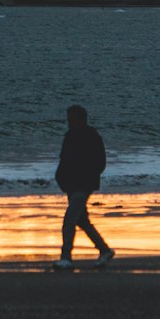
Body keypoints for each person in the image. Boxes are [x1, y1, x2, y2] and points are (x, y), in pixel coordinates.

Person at [53, 104, 114, 269]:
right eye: (68, 119)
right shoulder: (70, 135)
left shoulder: (91, 136)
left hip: (83, 185)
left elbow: (100, 162)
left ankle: (66, 257)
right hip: (71, 185)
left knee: (69, 220)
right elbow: (64, 160)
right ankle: (104, 250)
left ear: (80, 119)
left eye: (72, 119)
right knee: (81, 220)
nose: (69, 122)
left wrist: (89, 177)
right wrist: (61, 178)